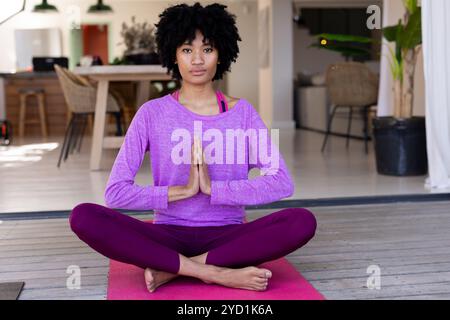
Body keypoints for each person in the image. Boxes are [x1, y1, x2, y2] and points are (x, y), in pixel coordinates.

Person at [69, 2, 317, 293]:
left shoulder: (243, 113)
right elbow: (115, 193)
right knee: (84, 216)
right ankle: (215, 272)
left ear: (221, 53)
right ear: (173, 54)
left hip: (228, 235)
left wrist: (215, 189)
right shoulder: (152, 114)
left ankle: (174, 270)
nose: (197, 60)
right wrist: (183, 192)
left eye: (207, 49)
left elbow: (281, 182)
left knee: (301, 221)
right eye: (187, 50)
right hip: (166, 234)